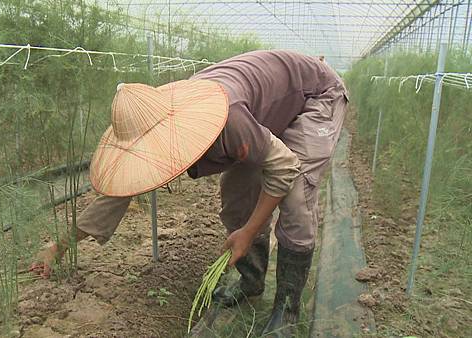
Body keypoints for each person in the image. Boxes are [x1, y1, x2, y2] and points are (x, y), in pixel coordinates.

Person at [32, 50, 348, 336]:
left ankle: (287, 311)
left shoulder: (224, 117)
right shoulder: (155, 122)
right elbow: (118, 194)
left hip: (315, 96)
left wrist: (249, 232)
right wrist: (58, 247)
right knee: (236, 198)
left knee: (295, 196)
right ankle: (252, 282)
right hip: (262, 111)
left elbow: (283, 168)